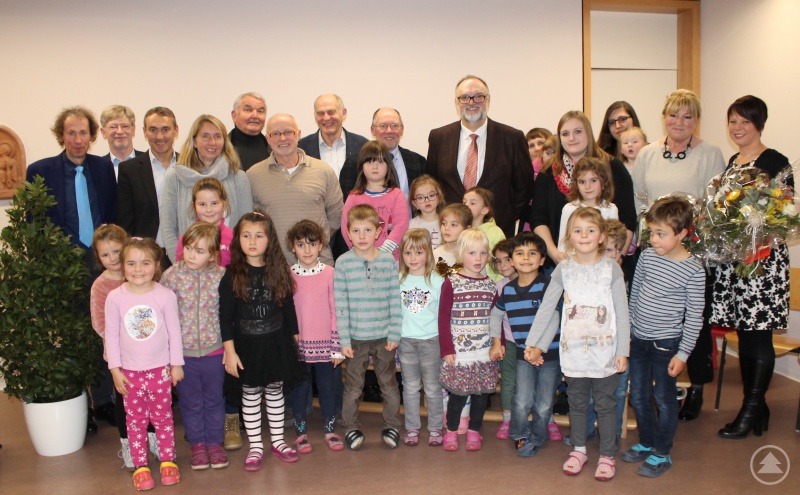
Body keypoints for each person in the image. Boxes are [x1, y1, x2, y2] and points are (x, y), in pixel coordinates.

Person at [632, 89, 725, 421]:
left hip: (693, 250)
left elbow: (717, 206)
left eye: (688, 116)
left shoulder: (710, 153)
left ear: (696, 120)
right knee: (654, 314)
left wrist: (689, 241)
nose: (680, 122)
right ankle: (654, 388)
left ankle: (697, 386)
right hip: (655, 247)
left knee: (691, 320)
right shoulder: (647, 153)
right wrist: (652, 236)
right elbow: (639, 199)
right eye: (673, 115)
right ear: (664, 117)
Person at [26, 106, 117, 434]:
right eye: (71, 133)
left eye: (83, 133)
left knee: (107, 335)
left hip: (102, 267)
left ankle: (105, 400)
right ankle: (81, 405)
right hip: (63, 270)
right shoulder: (41, 170)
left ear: (93, 136)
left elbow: (112, 212)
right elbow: (34, 224)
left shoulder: (103, 168)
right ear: (60, 135)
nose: (78, 140)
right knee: (74, 338)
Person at [527, 207, 630, 481]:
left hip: (605, 351)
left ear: (601, 237)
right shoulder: (564, 269)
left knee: (606, 404)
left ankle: (607, 454)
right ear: (569, 237)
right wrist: (534, 343)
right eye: (577, 231)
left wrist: (623, 351)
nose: (584, 235)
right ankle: (580, 448)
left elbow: (622, 311)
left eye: (591, 230)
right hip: (573, 352)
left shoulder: (611, 269)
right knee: (577, 401)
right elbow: (547, 308)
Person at [711, 95, 791, 439]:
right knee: (745, 335)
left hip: (763, 263)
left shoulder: (775, 161)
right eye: (733, 121)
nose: (738, 128)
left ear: (760, 123)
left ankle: (750, 408)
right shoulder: (732, 161)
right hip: (737, 263)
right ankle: (757, 406)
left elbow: (785, 215)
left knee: (757, 337)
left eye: (745, 121)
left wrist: (756, 238)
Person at [622, 196, 705, 477]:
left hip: (666, 345)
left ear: (681, 233)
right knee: (640, 396)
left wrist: (682, 354)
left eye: (661, 234)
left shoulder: (693, 270)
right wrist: (630, 331)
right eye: (652, 232)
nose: (654, 240)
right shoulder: (646, 256)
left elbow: (695, 316)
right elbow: (635, 294)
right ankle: (646, 442)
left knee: (665, 398)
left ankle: (662, 451)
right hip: (639, 340)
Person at [220, 211, 305, 471]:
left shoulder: (278, 270)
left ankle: (278, 441)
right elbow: (225, 316)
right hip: (247, 346)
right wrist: (229, 351)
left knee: (275, 391)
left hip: (276, 343)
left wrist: (295, 339)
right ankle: (256, 445)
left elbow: (287, 306)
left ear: (270, 240)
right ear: (238, 240)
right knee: (250, 393)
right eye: (246, 236)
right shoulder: (232, 273)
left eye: (259, 236)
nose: (253, 241)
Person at [104, 237, 184, 491]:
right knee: (135, 421)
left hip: (160, 370)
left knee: (163, 417)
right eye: (131, 263)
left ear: (157, 265)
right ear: (122, 266)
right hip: (129, 374)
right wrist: (115, 370)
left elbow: (174, 332)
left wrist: (176, 365)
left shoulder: (165, 296)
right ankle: (140, 466)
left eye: (145, 263)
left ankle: (168, 460)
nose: (138, 269)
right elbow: (112, 335)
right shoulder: (115, 298)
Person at [427, 75, 533, 237]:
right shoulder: (439, 137)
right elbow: (433, 185)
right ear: (457, 102)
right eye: (464, 97)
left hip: (497, 234)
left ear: (488, 100)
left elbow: (524, 188)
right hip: (452, 234)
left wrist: (505, 217)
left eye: (478, 96)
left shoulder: (512, 138)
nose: (471, 102)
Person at [529, 110, 636, 269]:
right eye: (565, 134)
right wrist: (555, 254)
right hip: (560, 263)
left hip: (604, 263)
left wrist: (618, 254)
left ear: (588, 132)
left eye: (577, 131)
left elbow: (628, 218)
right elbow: (538, 219)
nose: (571, 138)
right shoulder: (548, 172)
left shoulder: (612, 166)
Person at [160, 223, 228, 471]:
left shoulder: (221, 276)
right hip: (183, 354)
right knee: (190, 402)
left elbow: (227, 314)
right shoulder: (170, 277)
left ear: (212, 254)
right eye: (188, 248)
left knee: (214, 399)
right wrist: (170, 356)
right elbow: (163, 319)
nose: (191, 255)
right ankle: (198, 445)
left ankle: (214, 443)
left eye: (199, 251)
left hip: (214, 350)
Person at [335, 205, 403, 450]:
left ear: (378, 232)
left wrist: (395, 332)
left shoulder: (387, 261)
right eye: (356, 230)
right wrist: (344, 340)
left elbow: (395, 299)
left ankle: (392, 425)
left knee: (388, 385)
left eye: (367, 230)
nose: (362, 236)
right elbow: (340, 304)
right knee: (353, 387)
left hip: (385, 337)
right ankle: (351, 427)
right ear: (348, 233)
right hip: (356, 338)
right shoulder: (343, 263)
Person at [489, 232, 560, 457]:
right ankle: (519, 434)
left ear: (541, 260)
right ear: (511, 260)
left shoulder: (548, 286)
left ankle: (538, 436)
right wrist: (496, 341)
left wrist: (539, 348)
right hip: (522, 354)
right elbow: (495, 314)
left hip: (549, 353)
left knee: (543, 403)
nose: (526, 257)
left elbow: (554, 318)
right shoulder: (508, 290)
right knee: (521, 399)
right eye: (519, 253)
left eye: (532, 253)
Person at [247, 113, 344, 266]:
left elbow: (336, 215)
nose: (283, 138)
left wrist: (312, 242)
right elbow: (251, 223)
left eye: (288, 132)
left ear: (298, 134)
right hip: (273, 268)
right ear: (268, 139)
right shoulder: (253, 175)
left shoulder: (323, 170)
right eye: (276, 134)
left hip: (319, 265)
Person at [161, 114, 253, 265]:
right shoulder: (175, 177)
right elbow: (168, 227)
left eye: (217, 136)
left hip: (230, 269)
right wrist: (182, 265)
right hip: (187, 269)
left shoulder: (238, 177)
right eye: (205, 136)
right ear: (194, 141)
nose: (212, 142)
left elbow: (246, 227)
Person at [286, 220, 345, 452]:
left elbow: (336, 310)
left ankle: (330, 430)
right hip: (299, 348)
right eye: (301, 244)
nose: (307, 250)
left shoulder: (331, 273)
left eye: (312, 244)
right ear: (292, 247)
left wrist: (337, 345)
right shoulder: (288, 276)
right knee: (300, 390)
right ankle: (301, 434)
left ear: (321, 245)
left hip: (327, 347)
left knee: (328, 388)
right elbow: (288, 313)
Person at [439, 228, 499, 451]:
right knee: (458, 395)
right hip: (459, 352)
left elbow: (496, 317)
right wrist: (447, 348)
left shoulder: (490, 285)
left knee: (481, 396)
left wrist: (496, 343)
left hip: (483, 352)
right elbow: (443, 317)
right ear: (461, 254)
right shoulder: (452, 282)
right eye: (472, 253)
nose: (478, 259)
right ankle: (452, 431)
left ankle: (474, 431)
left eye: (483, 253)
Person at [398, 228, 446, 447]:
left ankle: (436, 427)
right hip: (405, 341)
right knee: (409, 387)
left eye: (418, 253)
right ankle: (412, 427)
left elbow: (444, 315)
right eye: (408, 253)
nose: (413, 258)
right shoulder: (399, 279)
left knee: (433, 387)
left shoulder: (437, 281)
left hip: (431, 341)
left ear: (428, 252)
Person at [117, 106, 180, 268]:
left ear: (176, 130)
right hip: (145, 256)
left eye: (165, 129)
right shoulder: (129, 170)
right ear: (144, 132)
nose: (159, 136)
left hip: (184, 254)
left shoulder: (189, 166)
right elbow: (126, 222)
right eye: (153, 129)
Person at [89, 225, 131, 467]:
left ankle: (153, 437)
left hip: (149, 354)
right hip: (120, 357)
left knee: (151, 399)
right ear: (98, 257)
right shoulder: (100, 286)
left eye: (117, 251)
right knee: (125, 401)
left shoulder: (138, 273)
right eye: (105, 255)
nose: (113, 258)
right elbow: (99, 323)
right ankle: (127, 444)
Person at [341, 140, 410, 261]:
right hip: (361, 259)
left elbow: (401, 226)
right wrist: (361, 253)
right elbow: (346, 227)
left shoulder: (396, 195)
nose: (375, 166)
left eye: (380, 161)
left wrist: (381, 253)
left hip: (392, 260)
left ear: (388, 165)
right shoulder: (353, 197)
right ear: (361, 166)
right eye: (369, 161)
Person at [339, 107, 427, 200]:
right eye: (383, 126)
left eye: (394, 125)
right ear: (373, 130)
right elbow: (347, 201)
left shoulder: (418, 162)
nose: (389, 130)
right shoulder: (354, 164)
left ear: (402, 129)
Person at [297, 94, 369, 177]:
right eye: (321, 113)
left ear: (343, 113)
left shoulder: (363, 146)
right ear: (315, 117)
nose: (326, 118)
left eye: (331, 112)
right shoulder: (301, 149)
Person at [557, 157, 618, 253]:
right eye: (582, 182)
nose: (587, 187)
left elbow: (614, 244)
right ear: (576, 185)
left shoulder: (611, 209)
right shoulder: (569, 209)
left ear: (604, 183)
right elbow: (563, 245)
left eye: (593, 180)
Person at [490, 239, 517, 440]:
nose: (503, 265)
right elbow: (496, 318)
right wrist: (498, 342)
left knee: (534, 382)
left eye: (507, 259)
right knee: (508, 381)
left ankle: (546, 418)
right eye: (498, 262)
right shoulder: (499, 286)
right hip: (508, 342)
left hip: (530, 343)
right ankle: (507, 419)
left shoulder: (536, 282)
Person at [175, 178, 233, 267]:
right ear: (194, 206)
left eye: (214, 203)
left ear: (224, 204)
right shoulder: (186, 239)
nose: (208, 210)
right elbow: (179, 272)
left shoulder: (234, 238)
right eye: (202, 204)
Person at [463, 186, 506, 281]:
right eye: (464, 202)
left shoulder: (494, 231)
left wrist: (499, 283)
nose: (466, 206)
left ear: (485, 210)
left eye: (472, 203)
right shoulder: (461, 230)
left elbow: (503, 259)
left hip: (491, 283)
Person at [99, 105, 145, 179]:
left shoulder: (148, 162)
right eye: (113, 127)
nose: (120, 131)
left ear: (133, 130)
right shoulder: (97, 167)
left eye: (125, 126)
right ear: (103, 132)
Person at [229, 92, 271, 171]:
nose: (255, 115)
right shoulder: (221, 149)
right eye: (248, 110)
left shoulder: (273, 148)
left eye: (260, 111)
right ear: (234, 116)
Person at [433, 203, 472, 276]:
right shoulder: (435, 254)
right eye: (444, 223)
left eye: (453, 225)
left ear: (467, 229)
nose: (447, 228)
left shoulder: (473, 255)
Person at [408, 174, 445, 248]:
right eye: (420, 197)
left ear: (439, 197)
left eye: (431, 195)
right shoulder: (412, 225)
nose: (427, 200)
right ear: (414, 203)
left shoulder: (446, 222)